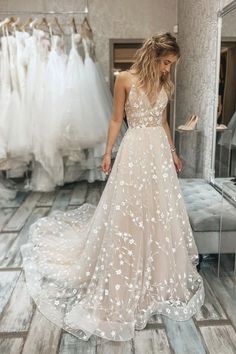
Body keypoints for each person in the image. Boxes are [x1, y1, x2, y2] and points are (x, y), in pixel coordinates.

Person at [21, 32, 205, 342]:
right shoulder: (124, 79)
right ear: (152, 55)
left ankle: (159, 271)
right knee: (129, 211)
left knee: (160, 212)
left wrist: (172, 151)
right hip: (134, 151)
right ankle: (126, 266)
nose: (167, 70)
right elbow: (117, 120)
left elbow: (161, 121)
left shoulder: (163, 83)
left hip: (157, 152)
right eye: (165, 63)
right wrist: (108, 152)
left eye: (171, 65)